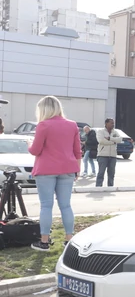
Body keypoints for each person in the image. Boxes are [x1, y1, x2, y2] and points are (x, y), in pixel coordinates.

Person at [27, 96, 82, 252]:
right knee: (66, 205)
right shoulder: (72, 125)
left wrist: (29, 144)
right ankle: (69, 239)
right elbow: (77, 151)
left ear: (43, 109)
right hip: (68, 169)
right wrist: (77, 169)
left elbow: (35, 150)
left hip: (45, 170)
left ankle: (44, 242)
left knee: (46, 206)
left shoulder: (43, 125)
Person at [95, 118, 125, 187]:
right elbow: (101, 141)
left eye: (113, 123)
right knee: (101, 172)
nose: (113, 124)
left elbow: (120, 139)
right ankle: (98, 187)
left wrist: (110, 138)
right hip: (102, 155)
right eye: (111, 123)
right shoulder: (100, 131)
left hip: (113, 156)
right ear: (106, 123)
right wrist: (114, 142)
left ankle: (110, 187)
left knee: (111, 173)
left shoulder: (115, 132)